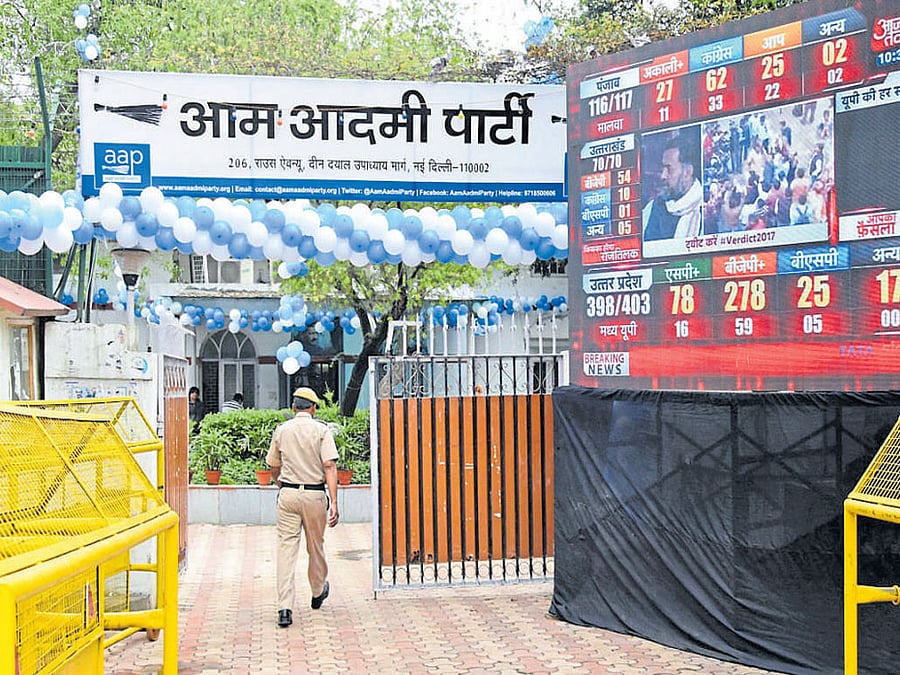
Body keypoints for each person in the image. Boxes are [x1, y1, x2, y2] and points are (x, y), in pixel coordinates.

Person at [267, 387, 339, 628]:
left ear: (293, 408)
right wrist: (334, 502)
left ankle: (284, 608)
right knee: (315, 546)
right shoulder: (321, 430)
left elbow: (273, 465)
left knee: (286, 549)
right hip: (314, 495)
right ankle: (318, 590)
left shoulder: (282, 430)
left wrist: (281, 484)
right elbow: (329, 465)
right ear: (313, 408)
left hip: (287, 494)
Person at [643, 135, 703, 240]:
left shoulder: (706, 212)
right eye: (663, 168)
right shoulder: (652, 208)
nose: (663, 176)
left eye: (669, 169)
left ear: (687, 172)